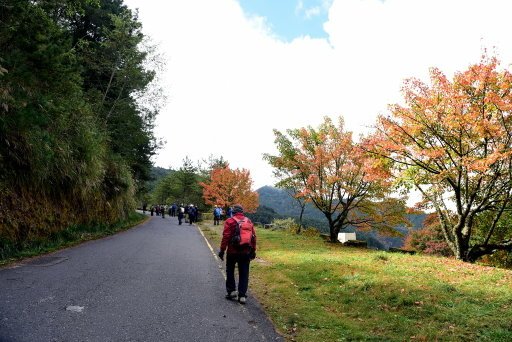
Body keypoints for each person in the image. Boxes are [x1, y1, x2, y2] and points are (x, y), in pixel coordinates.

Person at [217, 204, 256, 304]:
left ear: (233, 212)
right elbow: (253, 237)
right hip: (245, 252)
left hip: (232, 252)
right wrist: (253, 251)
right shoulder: (248, 221)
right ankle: (242, 296)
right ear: (242, 212)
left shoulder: (230, 221)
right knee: (244, 273)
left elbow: (225, 237)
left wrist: (222, 250)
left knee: (230, 270)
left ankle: (231, 292)